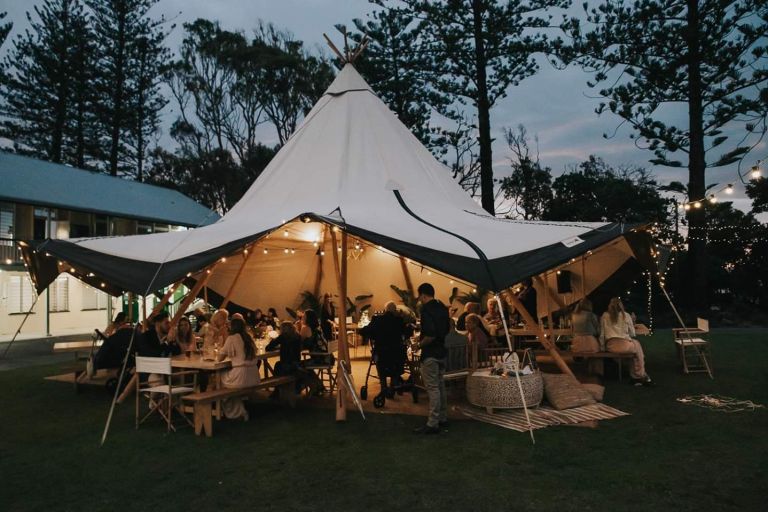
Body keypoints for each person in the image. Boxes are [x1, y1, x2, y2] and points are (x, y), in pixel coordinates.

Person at [414, 282, 450, 435]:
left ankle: (433, 423)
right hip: (442, 352)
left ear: (423, 294)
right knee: (440, 386)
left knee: (433, 388)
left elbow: (430, 334)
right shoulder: (442, 307)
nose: (420, 299)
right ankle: (442, 417)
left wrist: (419, 346)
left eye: (420, 296)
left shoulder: (426, 309)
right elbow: (446, 329)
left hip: (430, 354)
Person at [360, 302, 408, 398]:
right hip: (396, 354)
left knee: (380, 362)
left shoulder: (377, 320)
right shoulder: (399, 321)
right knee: (396, 364)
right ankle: (393, 386)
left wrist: (372, 335)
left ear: (385, 310)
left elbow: (364, 331)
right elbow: (408, 332)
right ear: (395, 311)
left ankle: (384, 387)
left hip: (381, 353)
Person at [600, 297, 652, 386]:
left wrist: (602, 347)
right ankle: (640, 375)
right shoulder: (626, 315)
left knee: (636, 349)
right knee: (637, 347)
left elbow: (602, 333)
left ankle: (637, 376)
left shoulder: (604, 315)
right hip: (625, 346)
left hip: (611, 346)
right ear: (621, 305)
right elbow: (632, 333)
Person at [217, 317, 260, 420]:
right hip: (254, 376)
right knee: (225, 381)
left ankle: (231, 411)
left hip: (241, 377)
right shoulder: (248, 337)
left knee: (218, 378)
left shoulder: (232, 338)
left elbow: (219, 358)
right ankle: (236, 409)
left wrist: (222, 349)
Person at [570, 299, 603, 375]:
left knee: (588, 351)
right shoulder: (591, 315)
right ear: (589, 306)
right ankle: (596, 372)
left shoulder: (573, 315)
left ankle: (584, 369)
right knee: (599, 352)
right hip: (589, 343)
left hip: (576, 344)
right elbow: (598, 330)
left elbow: (572, 330)